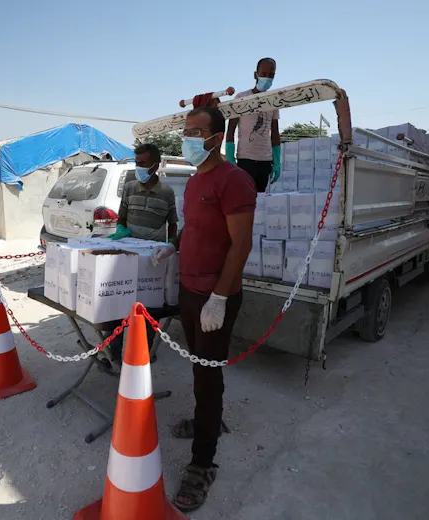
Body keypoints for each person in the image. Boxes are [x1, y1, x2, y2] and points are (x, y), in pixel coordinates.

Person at [152, 106, 256, 512]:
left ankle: (202, 463)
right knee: (199, 370)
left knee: (208, 379)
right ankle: (206, 424)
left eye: (197, 131)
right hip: (190, 293)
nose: (188, 138)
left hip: (217, 295)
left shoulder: (234, 181)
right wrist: (172, 246)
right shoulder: (196, 182)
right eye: (186, 131)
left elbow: (240, 245)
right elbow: (193, 228)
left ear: (216, 137)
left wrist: (219, 297)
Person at [106, 142, 178, 363]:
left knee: (148, 309)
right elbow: (122, 216)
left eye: (143, 164)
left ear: (155, 166)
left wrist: (171, 246)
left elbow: (172, 224)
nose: (138, 168)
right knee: (118, 305)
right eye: (136, 163)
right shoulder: (129, 187)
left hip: (151, 260)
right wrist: (121, 230)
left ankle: (144, 353)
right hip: (127, 256)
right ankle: (114, 353)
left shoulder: (166, 192)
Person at [225, 57, 281, 192]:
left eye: (271, 75)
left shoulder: (273, 100)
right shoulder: (241, 98)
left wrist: (277, 161)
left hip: (265, 160)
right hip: (245, 160)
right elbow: (231, 129)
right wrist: (229, 158)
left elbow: (274, 132)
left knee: (260, 202)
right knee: (243, 199)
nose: (267, 78)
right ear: (255, 75)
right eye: (264, 74)